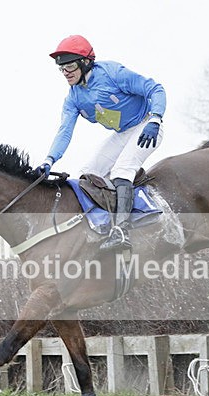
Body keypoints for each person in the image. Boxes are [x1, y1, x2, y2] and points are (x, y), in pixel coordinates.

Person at [34, 35, 166, 252]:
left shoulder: (113, 73)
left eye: (68, 66)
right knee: (89, 174)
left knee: (122, 171)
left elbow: (155, 89)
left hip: (147, 125)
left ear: (85, 62)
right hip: (123, 133)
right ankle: (104, 223)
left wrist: (156, 118)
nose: (65, 72)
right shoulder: (73, 98)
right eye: (61, 69)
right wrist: (50, 160)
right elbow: (64, 132)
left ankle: (122, 231)